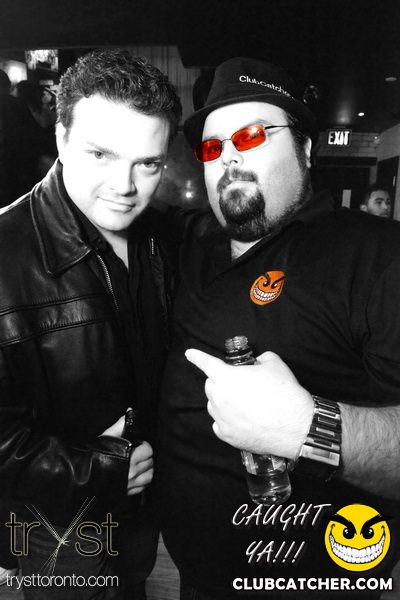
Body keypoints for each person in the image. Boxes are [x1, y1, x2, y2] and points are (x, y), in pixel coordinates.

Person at [156, 57, 400, 599]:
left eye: (251, 135)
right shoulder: (186, 242)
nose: (229, 156)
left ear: (306, 149)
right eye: (213, 148)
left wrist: (309, 428)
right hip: (196, 576)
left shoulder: (378, 256)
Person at [0, 48, 181, 599]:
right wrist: (93, 470)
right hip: (54, 522)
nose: (124, 186)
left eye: (147, 164)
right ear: (60, 138)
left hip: (144, 507)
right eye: (101, 154)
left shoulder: (164, 237)